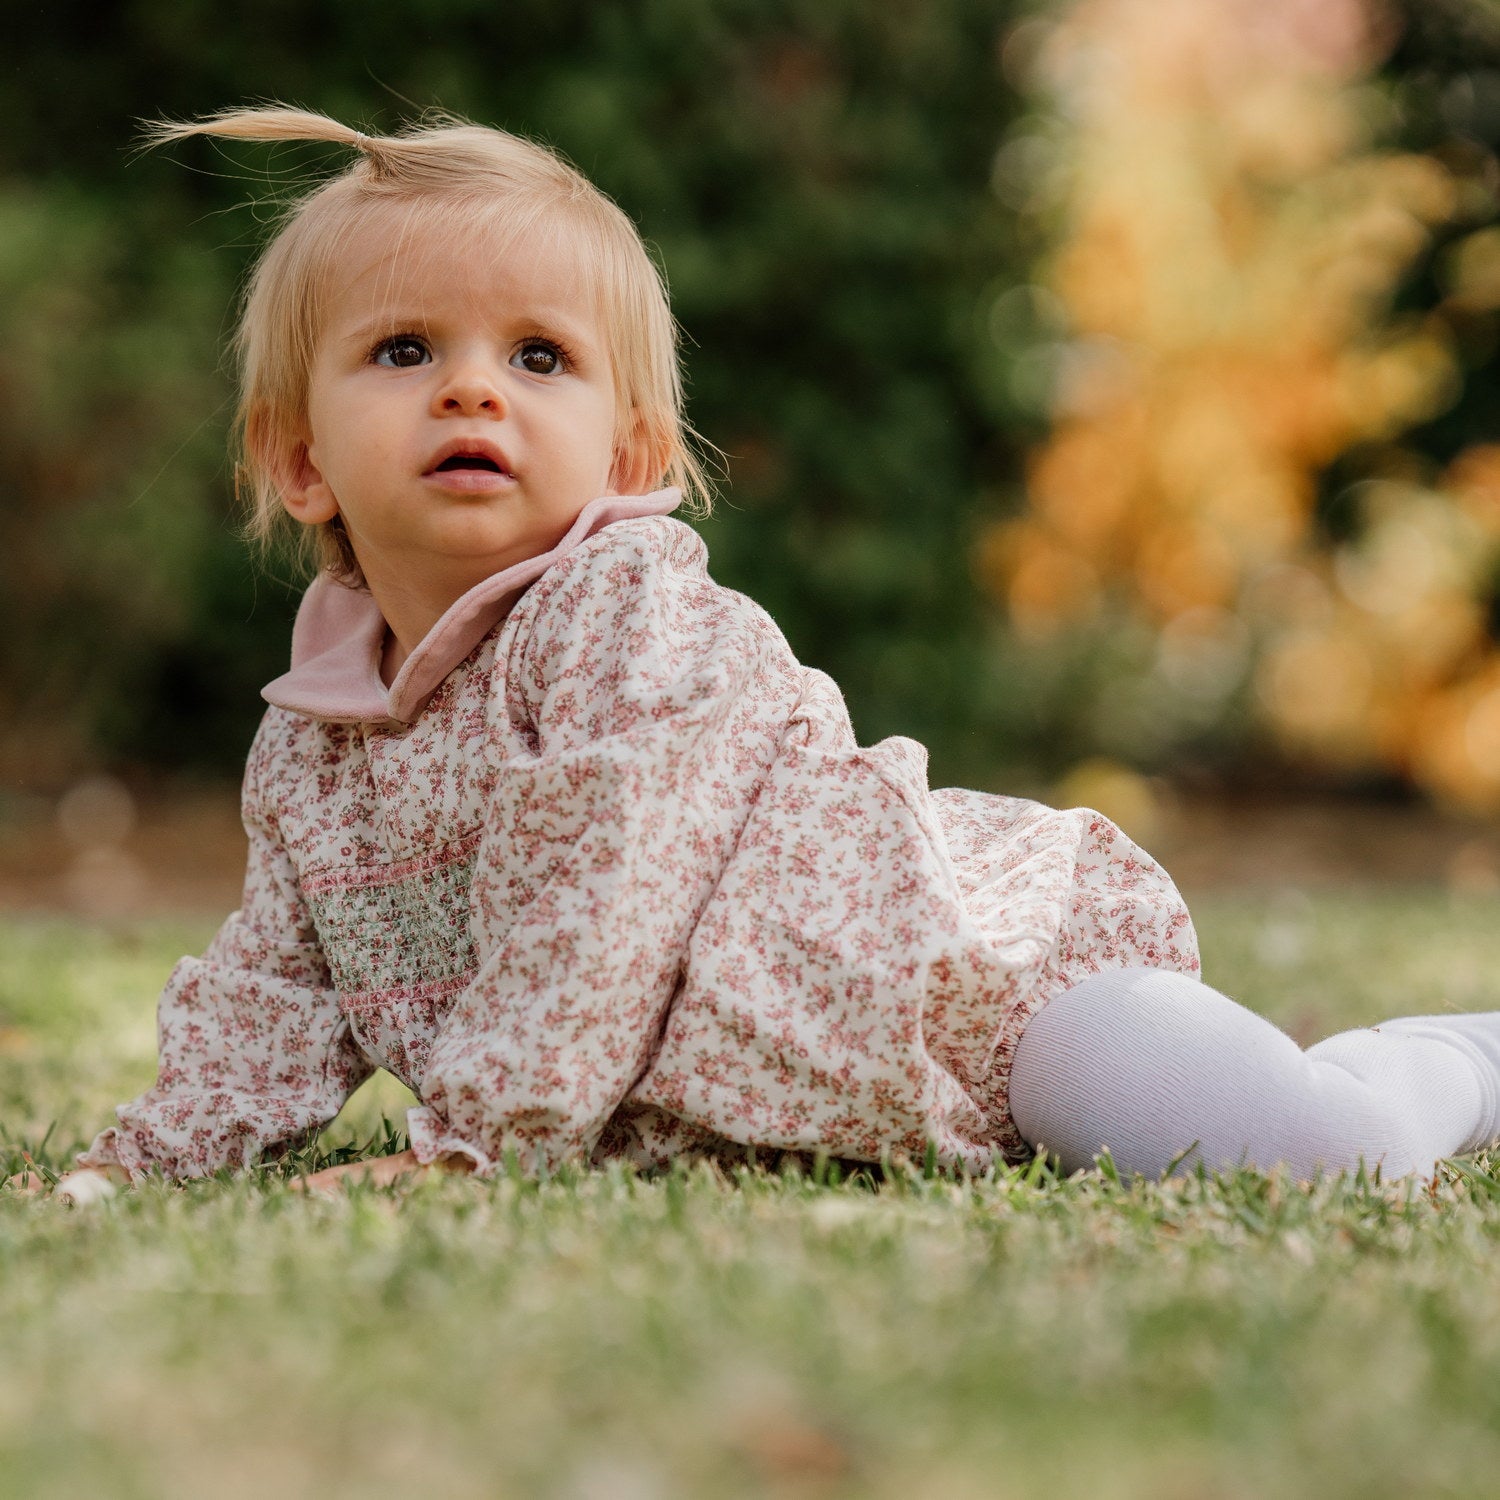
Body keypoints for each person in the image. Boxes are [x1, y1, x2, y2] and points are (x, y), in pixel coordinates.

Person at [23, 105, 1500, 1206]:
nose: (473, 383)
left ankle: (1457, 1058)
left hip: (977, 1009)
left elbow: (599, 891)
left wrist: (474, 1148)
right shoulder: (315, 738)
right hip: (804, 1105)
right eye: (404, 350)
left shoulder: (626, 624)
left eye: (539, 357)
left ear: (631, 449)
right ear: (299, 460)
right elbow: (278, 989)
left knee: (1322, 1155)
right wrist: (134, 1168)